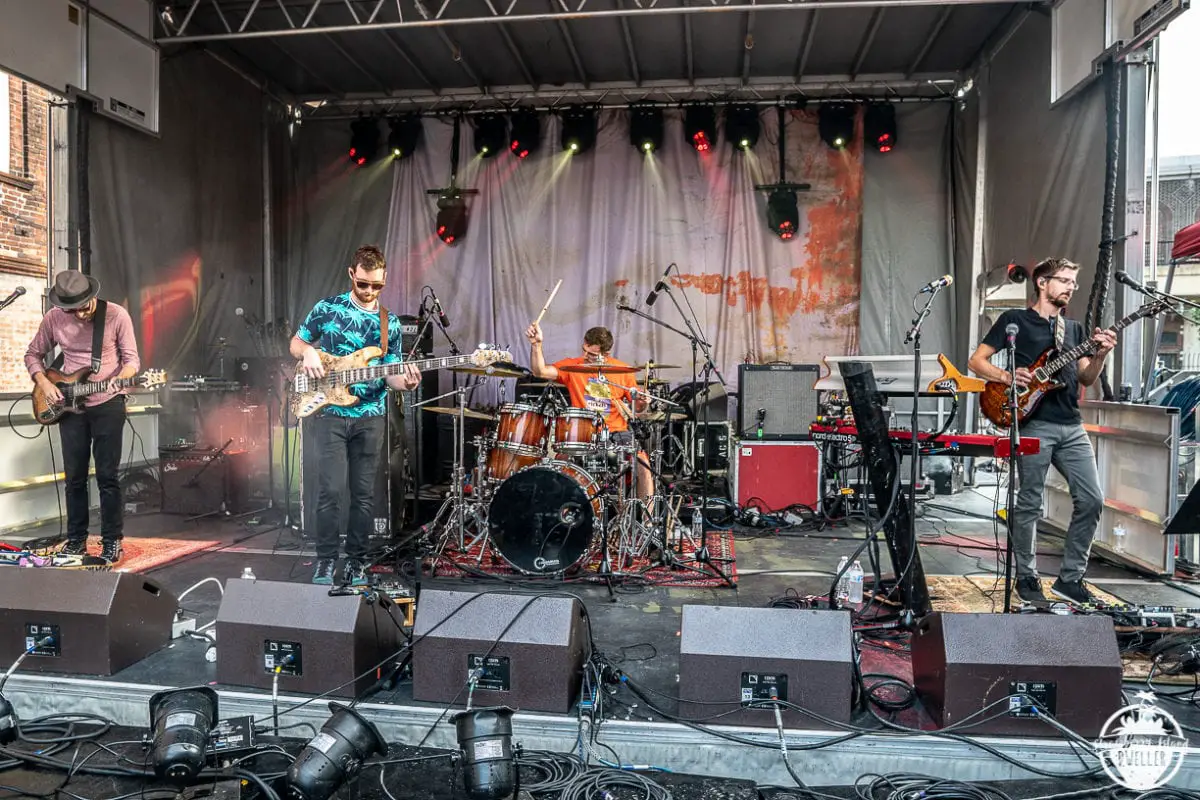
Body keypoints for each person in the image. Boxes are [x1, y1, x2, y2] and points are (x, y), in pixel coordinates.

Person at [968, 257, 1117, 605]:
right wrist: (1007, 376)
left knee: (1092, 499)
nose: (1069, 287)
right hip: (1032, 421)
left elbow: (1086, 378)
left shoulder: (1074, 329)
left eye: (1073, 282)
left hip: (1072, 425)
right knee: (1029, 502)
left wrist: (1101, 355)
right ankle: (1027, 576)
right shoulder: (1015, 321)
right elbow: (976, 361)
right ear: (1041, 282)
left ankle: (1070, 579)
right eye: (1063, 280)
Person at [290, 245, 421, 586]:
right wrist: (309, 353)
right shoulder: (327, 308)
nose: (369, 291)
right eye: (363, 284)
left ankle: (357, 563)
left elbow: (392, 375)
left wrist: (406, 383)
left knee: (364, 495)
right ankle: (325, 560)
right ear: (352, 274)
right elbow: (296, 343)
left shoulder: (389, 323)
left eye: (377, 285)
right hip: (329, 413)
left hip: (371, 416)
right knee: (330, 492)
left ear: (385, 278)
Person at [24, 270, 141, 564]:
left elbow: (132, 360)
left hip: (108, 403)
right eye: (73, 309)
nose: (81, 313)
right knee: (74, 478)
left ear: (92, 295)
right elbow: (32, 354)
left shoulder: (115, 315)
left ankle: (112, 541)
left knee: (107, 476)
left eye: (85, 306)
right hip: (69, 406)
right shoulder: (54, 318)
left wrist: (121, 379)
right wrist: (45, 384)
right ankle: (76, 541)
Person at [525, 322, 654, 499]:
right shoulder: (573, 366)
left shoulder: (622, 370)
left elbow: (638, 407)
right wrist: (536, 345)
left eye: (592, 354)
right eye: (584, 350)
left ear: (606, 354)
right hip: (583, 434)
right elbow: (540, 371)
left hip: (617, 433)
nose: (586, 355)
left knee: (643, 465)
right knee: (559, 464)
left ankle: (647, 515)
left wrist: (643, 401)